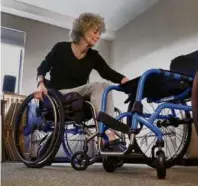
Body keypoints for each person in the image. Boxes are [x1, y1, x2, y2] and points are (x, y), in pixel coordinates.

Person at [34, 12, 129, 149]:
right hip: (58, 94)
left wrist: (127, 81)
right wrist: (40, 84)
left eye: (100, 34)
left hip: (78, 96)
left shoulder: (93, 56)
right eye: (95, 32)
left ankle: (110, 135)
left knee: (106, 86)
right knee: (96, 86)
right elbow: (42, 68)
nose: (98, 37)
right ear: (83, 29)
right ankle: (108, 134)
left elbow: (108, 72)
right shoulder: (61, 48)